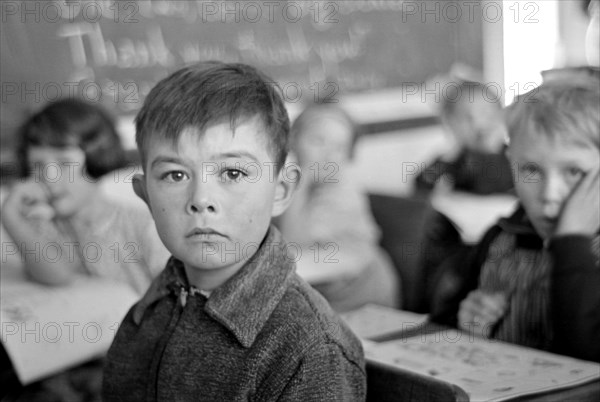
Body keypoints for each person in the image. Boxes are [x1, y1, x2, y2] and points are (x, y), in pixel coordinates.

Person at [102, 62, 366, 401]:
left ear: (282, 191)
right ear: (146, 197)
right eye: (176, 175)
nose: (201, 200)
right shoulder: (146, 313)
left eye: (233, 173)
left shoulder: (310, 350)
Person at [429, 78, 600, 362]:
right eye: (531, 169)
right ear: (510, 162)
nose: (549, 195)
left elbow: (588, 351)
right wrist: (466, 320)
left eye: (574, 172)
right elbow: (440, 323)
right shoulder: (500, 239)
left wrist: (571, 242)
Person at [1, 99, 169, 295]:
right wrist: (12, 218)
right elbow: (56, 277)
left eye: (64, 163)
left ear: (97, 158)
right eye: (38, 166)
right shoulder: (43, 229)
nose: (49, 177)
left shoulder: (142, 226)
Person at [277, 103, 401, 312]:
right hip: (321, 292)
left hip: (362, 294)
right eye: (318, 141)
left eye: (339, 147)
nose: (328, 155)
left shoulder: (343, 192)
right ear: (293, 141)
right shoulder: (287, 183)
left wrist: (303, 180)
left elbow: (292, 246)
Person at [416, 80, 513, 195]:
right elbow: (422, 183)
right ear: (450, 123)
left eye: (488, 114)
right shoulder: (454, 160)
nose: (479, 123)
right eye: (467, 118)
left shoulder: (514, 156)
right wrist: (449, 158)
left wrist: (493, 149)